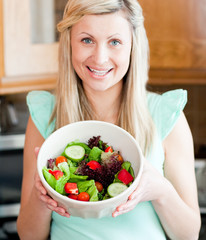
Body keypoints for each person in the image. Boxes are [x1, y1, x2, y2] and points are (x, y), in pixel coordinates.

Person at [17, 0, 201, 239]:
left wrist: (161, 191)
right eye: (87, 40)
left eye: (115, 42)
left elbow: (189, 235)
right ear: (69, 44)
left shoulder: (166, 115)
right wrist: (40, 196)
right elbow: (28, 235)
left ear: (132, 46)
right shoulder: (45, 115)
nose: (100, 58)